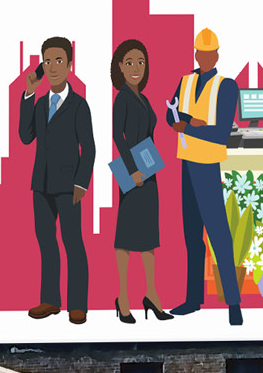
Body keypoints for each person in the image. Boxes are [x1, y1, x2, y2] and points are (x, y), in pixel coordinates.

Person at [165, 30, 245, 325]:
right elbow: (170, 115)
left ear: (217, 55)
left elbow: (221, 133)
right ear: (196, 54)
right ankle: (193, 299)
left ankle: (234, 305)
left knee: (219, 235)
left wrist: (187, 127)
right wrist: (186, 121)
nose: (205, 57)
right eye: (201, 52)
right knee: (192, 237)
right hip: (187, 164)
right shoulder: (185, 82)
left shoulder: (227, 86)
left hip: (208, 167)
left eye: (210, 53)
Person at [15, 37, 95, 323]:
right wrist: (28, 94)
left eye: (58, 60)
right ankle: (50, 300)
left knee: (73, 242)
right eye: (47, 61)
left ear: (70, 65)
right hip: (41, 184)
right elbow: (25, 137)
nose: (52, 67)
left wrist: (81, 183)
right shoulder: (39, 104)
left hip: (69, 186)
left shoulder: (78, 105)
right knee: (46, 242)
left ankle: (78, 304)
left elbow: (89, 148)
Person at [106, 39, 168, 323]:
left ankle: (152, 294)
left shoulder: (143, 97)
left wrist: (149, 167)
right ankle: (123, 298)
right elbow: (118, 136)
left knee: (148, 237)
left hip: (149, 170)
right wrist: (132, 171)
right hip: (132, 174)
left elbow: (149, 136)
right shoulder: (122, 98)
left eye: (141, 62)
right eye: (129, 62)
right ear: (120, 66)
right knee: (126, 237)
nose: (136, 68)